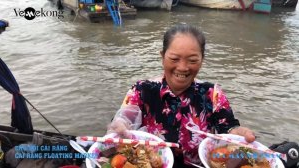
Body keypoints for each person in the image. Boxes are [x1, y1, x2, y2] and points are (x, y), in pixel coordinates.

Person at [107, 24, 255, 167]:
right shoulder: (141, 90)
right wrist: (119, 127)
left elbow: (228, 129)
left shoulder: (212, 94)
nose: (183, 67)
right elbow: (124, 120)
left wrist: (236, 134)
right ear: (162, 56)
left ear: (202, 60)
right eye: (174, 59)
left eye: (192, 60)